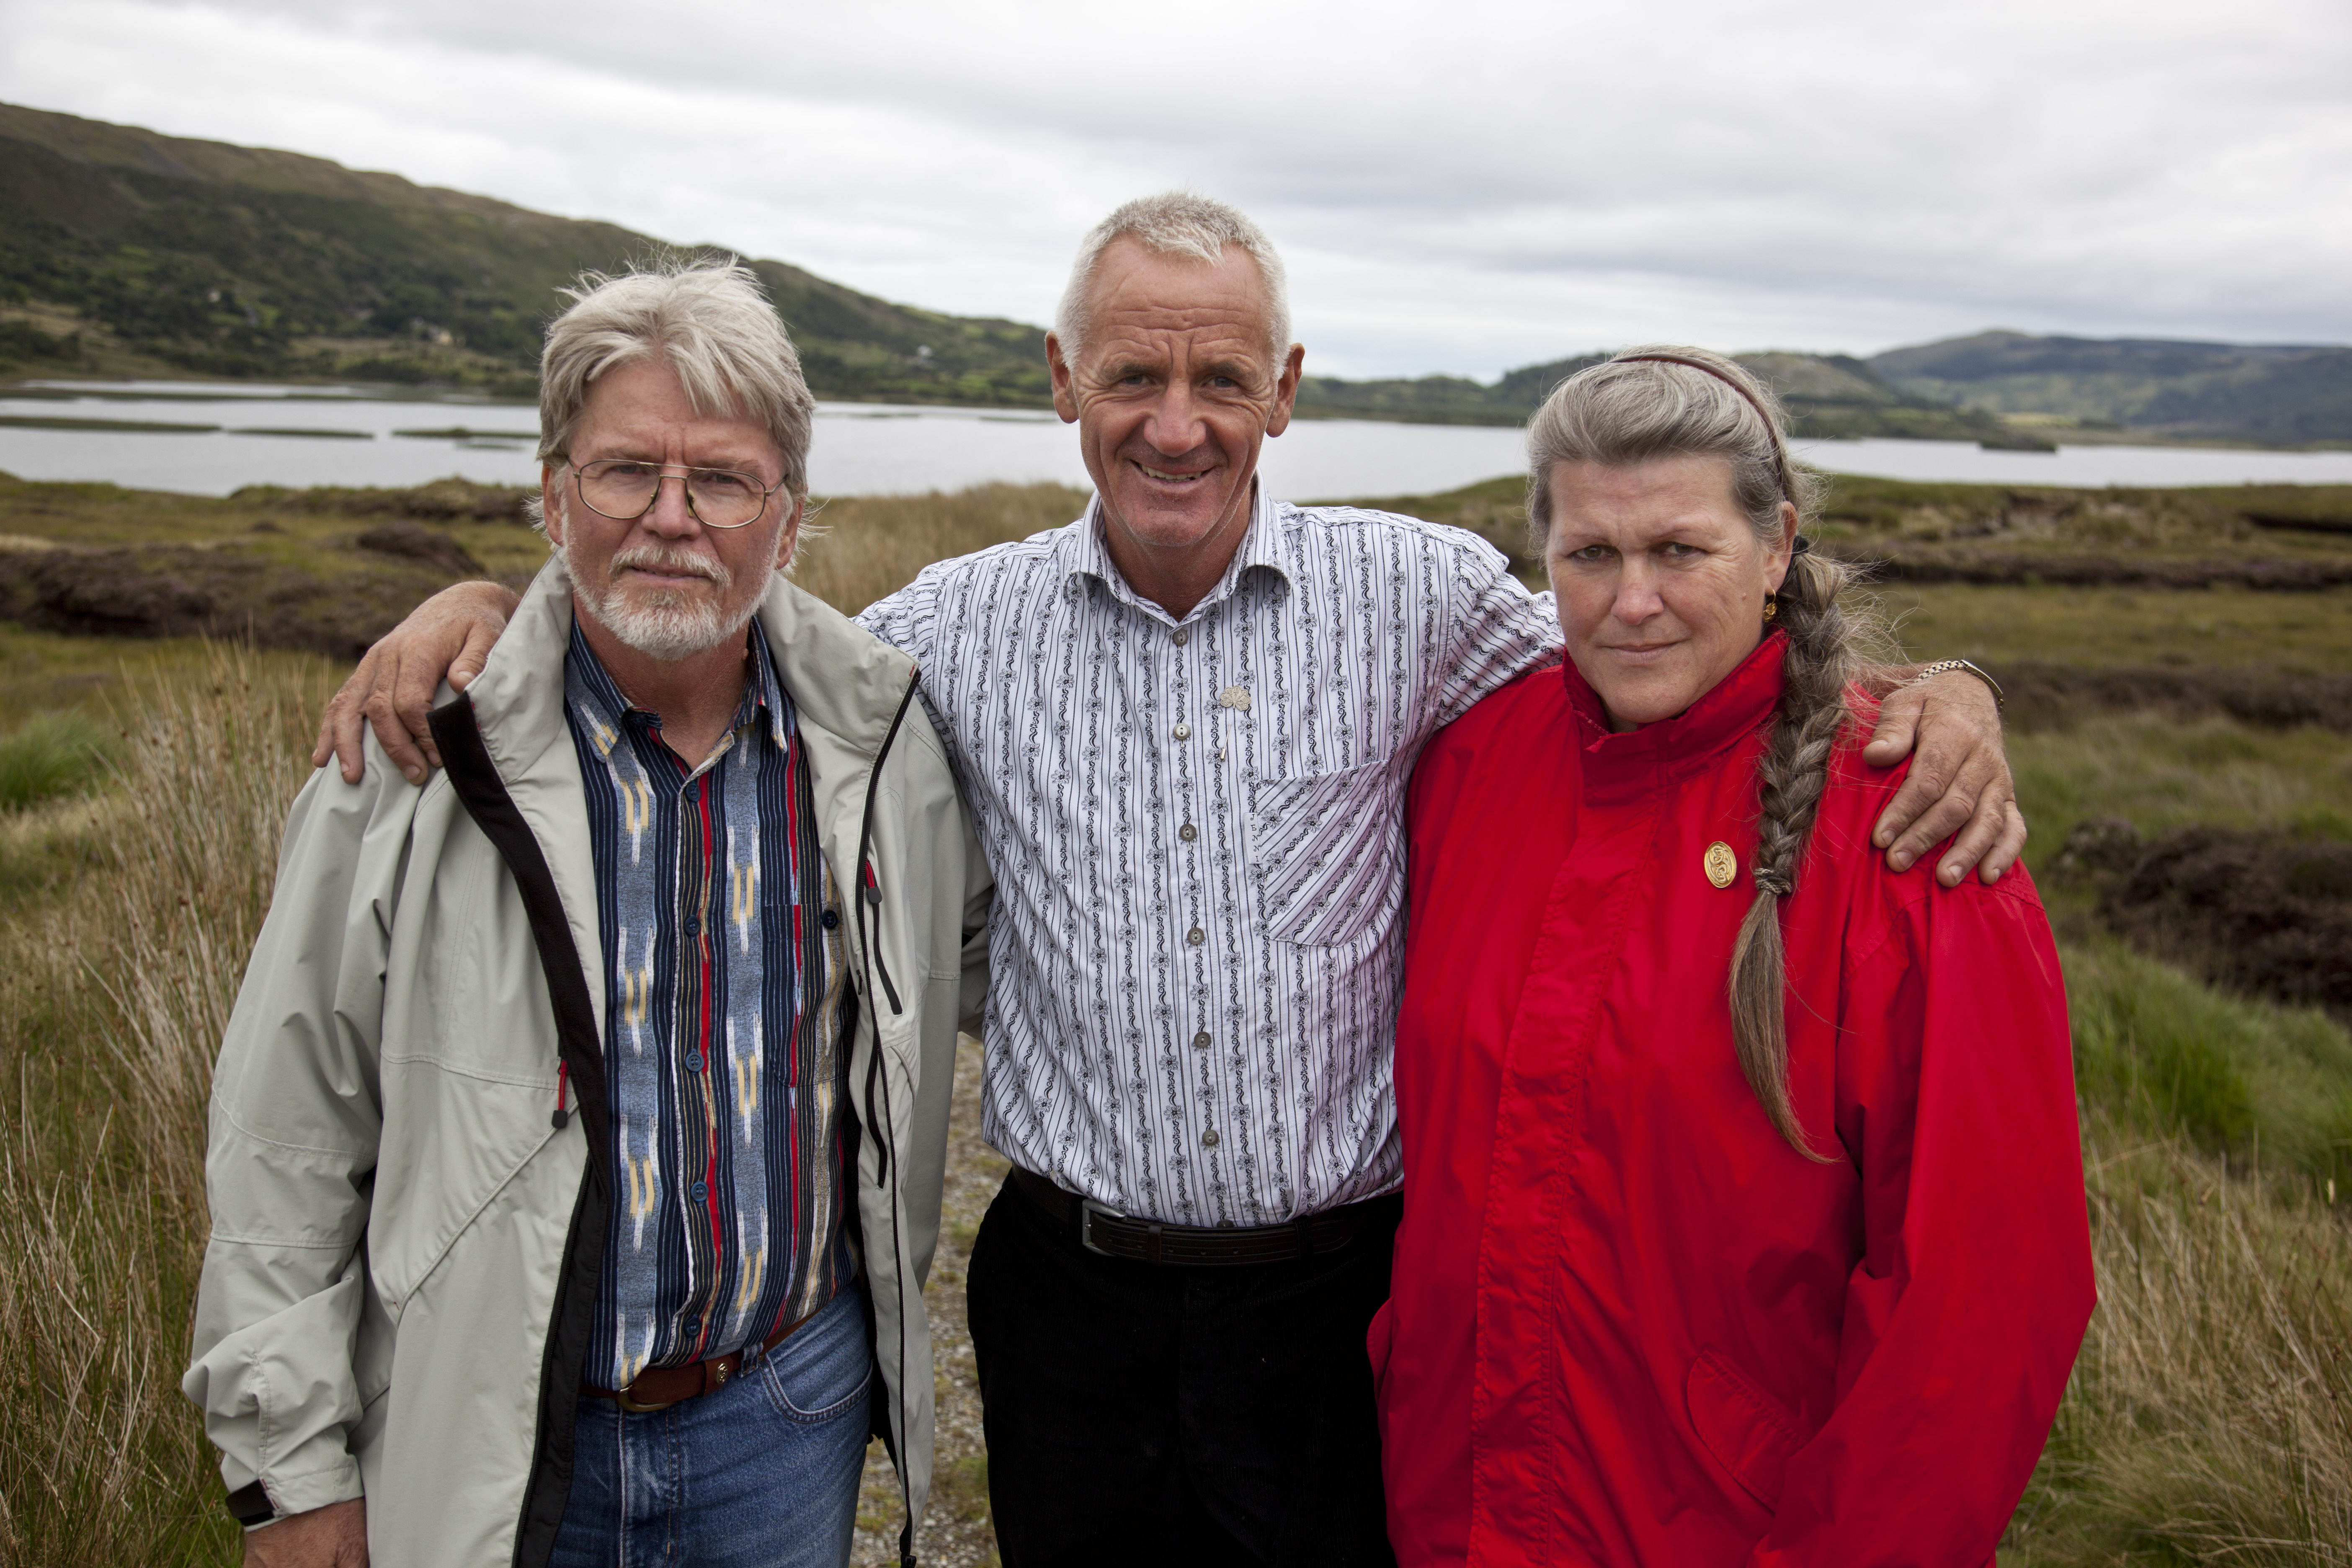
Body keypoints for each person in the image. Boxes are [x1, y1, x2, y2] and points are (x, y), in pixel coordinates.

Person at [313, 197, 2025, 1566]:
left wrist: (1925, 697)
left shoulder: (1427, 600)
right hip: (1074, 1299)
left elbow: (1664, 672)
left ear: (1287, 388)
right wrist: (487, 608)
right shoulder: (947, 633)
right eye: (1133, 375)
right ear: (1064, 381)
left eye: (1223, 378)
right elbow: (696, 621)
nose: (1177, 423)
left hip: (1345, 1294)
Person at [184, 263, 990, 1568]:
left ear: (787, 523)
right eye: (626, 473)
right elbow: (286, 1134)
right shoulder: (410, 769)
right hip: (494, 1442)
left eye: (722, 481)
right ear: (554, 495)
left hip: (786, 1417)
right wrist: (292, 1469)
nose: (671, 519)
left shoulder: (883, 746)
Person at [1377, 348, 2094, 1565]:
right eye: (1591, 555)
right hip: (1448, 1505)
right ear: (1544, 561)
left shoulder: (1909, 823)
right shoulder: (1469, 769)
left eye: (1681, 551)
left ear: (1776, 553)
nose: (1632, 599)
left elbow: (1980, 1308)